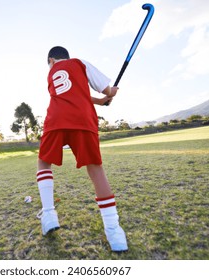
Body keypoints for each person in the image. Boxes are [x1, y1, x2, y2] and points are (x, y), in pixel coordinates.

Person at [36, 46, 128, 252]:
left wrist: (101, 101)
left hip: (57, 119)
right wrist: (110, 94)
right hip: (82, 120)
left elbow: (72, 94)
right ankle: (114, 231)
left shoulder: (51, 73)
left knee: (43, 162)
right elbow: (105, 89)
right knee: (95, 169)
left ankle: (49, 214)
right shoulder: (79, 63)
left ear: (51, 60)